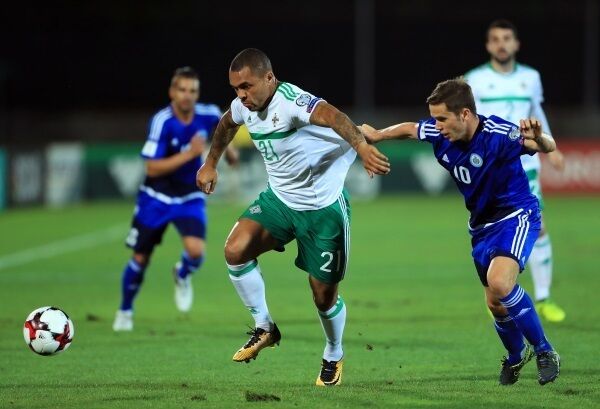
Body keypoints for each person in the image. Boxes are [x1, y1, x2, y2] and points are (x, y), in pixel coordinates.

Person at [196, 48, 390, 386]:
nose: (241, 95)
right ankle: (264, 327)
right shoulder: (244, 106)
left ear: (269, 78)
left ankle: (333, 352)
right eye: (235, 88)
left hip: (323, 209)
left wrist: (361, 147)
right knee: (234, 250)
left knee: (323, 296)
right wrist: (211, 162)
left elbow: (334, 116)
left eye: (247, 86)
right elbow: (226, 123)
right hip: (280, 202)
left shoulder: (292, 102)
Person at [360, 79, 560, 386]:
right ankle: (516, 356)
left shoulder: (498, 134)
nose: (436, 125)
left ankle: (545, 351)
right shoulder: (440, 134)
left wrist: (541, 138)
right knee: (495, 302)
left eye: (442, 118)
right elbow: (412, 128)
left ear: (464, 114)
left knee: (500, 282)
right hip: (480, 227)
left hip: (516, 215)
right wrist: (379, 135)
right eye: (435, 118)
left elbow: (544, 146)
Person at [113, 66, 238, 331]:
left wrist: (230, 151)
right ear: (172, 92)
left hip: (189, 195)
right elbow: (151, 168)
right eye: (182, 89)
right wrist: (191, 154)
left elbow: (224, 127)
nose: (187, 95)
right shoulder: (162, 121)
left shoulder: (208, 113)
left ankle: (182, 273)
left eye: (192, 90)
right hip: (155, 197)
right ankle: (125, 311)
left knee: (196, 252)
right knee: (140, 259)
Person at [464, 19, 566, 322]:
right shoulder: (475, 79)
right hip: (491, 169)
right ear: (488, 45)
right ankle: (501, 292)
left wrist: (552, 147)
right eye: (495, 39)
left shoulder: (531, 78)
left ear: (516, 44)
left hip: (526, 163)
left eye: (507, 38)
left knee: (539, 225)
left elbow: (536, 113)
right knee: (494, 230)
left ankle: (543, 297)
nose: (501, 44)